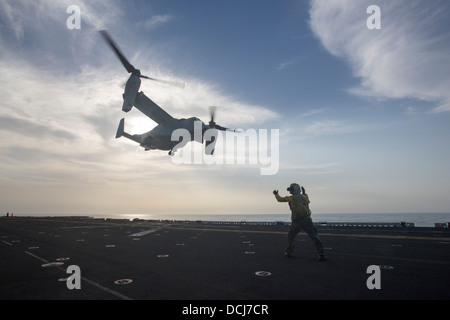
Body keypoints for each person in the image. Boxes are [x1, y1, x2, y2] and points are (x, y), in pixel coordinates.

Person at [273, 183, 327, 261]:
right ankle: (322, 254)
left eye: (291, 190)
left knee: (291, 236)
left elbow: (280, 199)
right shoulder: (304, 197)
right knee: (314, 236)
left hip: (297, 220)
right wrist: (304, 193)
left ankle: (289, 252)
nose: (290, 192)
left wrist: (276, 194)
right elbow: (308, 201)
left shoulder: (291, 198)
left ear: (293, 190)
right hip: (308, 219)